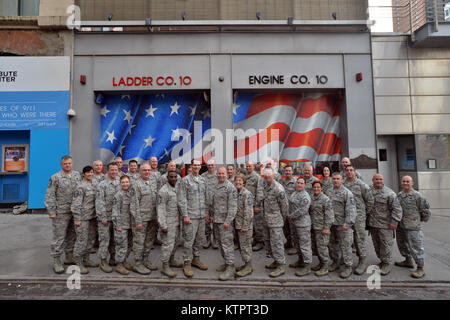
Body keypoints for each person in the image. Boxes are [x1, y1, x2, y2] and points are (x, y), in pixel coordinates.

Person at [45, 155, 82, 274]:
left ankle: (68, 256)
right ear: (61, 164)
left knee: (72, 235)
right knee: (59, 237)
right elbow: (50, 195)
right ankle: (56, 260)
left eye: (69, 163)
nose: (68, 165)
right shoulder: (55, 177)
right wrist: (51, 211)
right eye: (65, 164)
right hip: (61, 212)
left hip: (75, 211)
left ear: (72, 163)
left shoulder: (77, 175)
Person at [395, 175, 431, 279]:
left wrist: (419, 221)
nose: (405, 183)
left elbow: (426, 210)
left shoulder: (417, 196)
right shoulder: (400, 195)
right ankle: (408, 261)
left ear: (412, 183)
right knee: (402, 244)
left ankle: (420, 268)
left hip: (413, 226)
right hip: (401, 225)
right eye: (404, 181)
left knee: (416, 247)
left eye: (407, 181)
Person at [178, 159, 209, 278]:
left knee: (200, 239)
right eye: (194, 165)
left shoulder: (202, 180)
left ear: (200, 166)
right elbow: (182, 199)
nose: (196, 167)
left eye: (198, 165)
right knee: (188, 240)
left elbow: (205, 197)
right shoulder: (185, 181)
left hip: (201, 216)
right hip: (190, 216)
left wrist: (206, 212)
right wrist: (185, 215)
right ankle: (187, 263)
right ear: (191, 166)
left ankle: (196, 259)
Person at [368, 173, 403, 276]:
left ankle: (386, 264)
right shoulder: (369, 190)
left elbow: (397, 208)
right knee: (377, 245)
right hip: (373, 224)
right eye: (376, 179)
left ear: (383, 180)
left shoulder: (389, 193)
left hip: (385, 225)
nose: (378, 181)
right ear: (372, 180)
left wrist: (394, 222)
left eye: (380, 179)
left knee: (386, 245)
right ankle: (382, 261)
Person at [344, 165, 374, 275]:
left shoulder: (362, 185)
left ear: (355, 172)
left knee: (359, 240)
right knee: (346, 240)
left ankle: (362, 262)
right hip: (346, 217)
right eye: (347, 170)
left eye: (351, 170)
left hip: (358, 217)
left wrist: (363, 213)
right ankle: (347, 262)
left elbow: (370, 201)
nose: (349, 172)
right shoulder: (343, 184)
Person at [209, 167, 238, 281]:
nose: (221, 175)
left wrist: (228, 221)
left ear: (226, 174)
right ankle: (226, 263)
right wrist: (211, 216)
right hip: (216, 220)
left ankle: (230, 268)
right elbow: (213, 203)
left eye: (223, 173)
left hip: (225, 222)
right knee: (220, 245)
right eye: (219, 173)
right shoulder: (216, 186)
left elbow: (233, 206)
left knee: (227, 245)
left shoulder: (230, 187)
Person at [260, 167, 289, 278]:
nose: (267, 178)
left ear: (273, 176)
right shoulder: (266, 186)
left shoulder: (278, 189)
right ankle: (276, 261)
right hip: (267, 220)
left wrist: (282, 219)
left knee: (277, 243)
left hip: (276, 221)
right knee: (269, 243)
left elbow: (284, 206)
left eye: (269, 176)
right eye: (265, 176)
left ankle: (281, 265)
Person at [328, 172, 357, 279]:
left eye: (337, 179)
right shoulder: (329, 191)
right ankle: (336, 262)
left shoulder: (347, 193)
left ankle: (348, 266)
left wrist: (347, 223)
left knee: (345, 246)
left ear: (341, 180)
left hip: (343, 224)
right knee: (333, 245)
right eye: (334, 179)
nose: (335, 180)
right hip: (332, 223)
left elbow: (351, 209)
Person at [71, 166, 99, 274]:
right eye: (88, 173)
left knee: (90, 240)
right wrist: (77, 218)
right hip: (82, 218)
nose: (90, 174)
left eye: (91, 172)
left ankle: (86, 259)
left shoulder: (94, 184)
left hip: (92, 217)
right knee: (81, 240)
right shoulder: (80, 187)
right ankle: (78, 262)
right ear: (83, 174)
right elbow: (76, 204)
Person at [111, 175, 142, 275]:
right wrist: (117, 225)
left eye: (127, 182)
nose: (125, 184)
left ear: (130, 183)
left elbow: (136, 208)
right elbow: (115, 212)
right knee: (121, 245)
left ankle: (124, 261)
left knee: (129, 245)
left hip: (131, 224)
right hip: (122, 225)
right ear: (120, 184)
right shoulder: (118, 195)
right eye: (123, 182)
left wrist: (138, 222)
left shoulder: (132, 194)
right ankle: (119, 265)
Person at [132, 163, 159, 275]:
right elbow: (134, 205)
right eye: (144, 170)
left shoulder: (153, 182)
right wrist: (137, 221)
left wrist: (158, 216)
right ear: (140, 171)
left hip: (152, 217)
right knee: (139, 241)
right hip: (141, 219)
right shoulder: (136, 184)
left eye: (148, 170)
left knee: (149, 241)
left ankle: (145, 259)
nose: (147, 172)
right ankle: (137, 263)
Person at [95, 162, 120, 273]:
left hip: (116, 218)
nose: (114, 172)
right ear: (107, 171)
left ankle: (113, 258)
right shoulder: (102, 185)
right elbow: (99, 202)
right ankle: (103, 261)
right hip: (105, 218)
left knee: (115, 240)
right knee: (104, 240)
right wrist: (103, 218)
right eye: (112, 170)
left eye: (116, 170)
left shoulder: (120, 183)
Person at [158, 170, 183, 278]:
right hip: (168, 223)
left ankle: (171, 260)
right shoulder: (163, 191)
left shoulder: (177, 188)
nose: (173, 178)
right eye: (171, 177)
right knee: (167, 245)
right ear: (167, 178)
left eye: (175, 177)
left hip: (177, 222)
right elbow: (160, 209)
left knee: (175, 243)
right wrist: (163, 225)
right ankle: (165, 266)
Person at [287, 177, 313, 277]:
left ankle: (307, 267)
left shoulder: (305, 196)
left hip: (303, 224)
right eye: (298, 182)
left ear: (305, 185)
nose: (299, 184)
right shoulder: (294, 193)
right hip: (294, 223)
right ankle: (300, 260)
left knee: (304, 246)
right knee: (297, 244)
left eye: (301, 183)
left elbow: (302, 210)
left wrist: (290, 216)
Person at [309, 181, 334, 276]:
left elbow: (330, 215)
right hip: (314, 227)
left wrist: (326, 227)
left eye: (318, 187)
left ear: (322, 188)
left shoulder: (325, 199)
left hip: (322, 228)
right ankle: (321, 263)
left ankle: (325, 267)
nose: (316, 189)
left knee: (322, 248)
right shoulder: (311, 198)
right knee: (316, 248)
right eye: (314, 187)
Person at [233, 174, 254, 277]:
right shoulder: (236, 193)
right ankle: (246, 264)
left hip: (245, 226)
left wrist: (245, 226)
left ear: (244, 182)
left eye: (240, 181)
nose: (238, 182)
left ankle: (248, 267)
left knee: (246, 246)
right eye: (236, 181)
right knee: (242, 246)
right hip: (238, 225)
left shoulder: (247, 194)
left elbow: (249, 212)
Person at [245, 161, 264, 252]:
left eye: (250, 166)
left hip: (254, 205)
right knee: (250, 224)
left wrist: (258, 205)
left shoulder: (257, 177)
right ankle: (255, 240)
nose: (248, 167)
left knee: (258, 224)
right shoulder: (245, 176)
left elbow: (260, 192)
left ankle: (260, 241)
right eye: (247, 166)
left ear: (253, 167)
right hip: (247, 205)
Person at [202, 159, 219, 249]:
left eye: (212, 165)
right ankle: (208, 239)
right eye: (209, 165)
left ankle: (215, 240)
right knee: (206, 222)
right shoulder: (203, 176)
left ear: (215, 165)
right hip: (205, 203)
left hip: (216, 203)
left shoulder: (218, 175)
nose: (210, 166)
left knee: (216, 222)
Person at [281, 165, 297, 255]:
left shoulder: (295, 182)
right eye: (286, 171)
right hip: (284, 209)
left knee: (292, 228)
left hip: (292, 209)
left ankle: (295, 246)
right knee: (285, 227)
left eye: (289, 171)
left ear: (292, 171)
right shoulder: (282, 182)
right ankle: (289, 242)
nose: (287, 172)